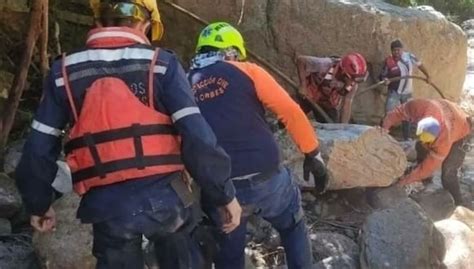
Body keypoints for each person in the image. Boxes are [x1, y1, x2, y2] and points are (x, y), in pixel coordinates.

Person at [15, 1, 242, 268]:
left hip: (107, 206)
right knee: (185, 251)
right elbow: (198, 137)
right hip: (168, 199)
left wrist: (38, 204)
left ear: (97, 21)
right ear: (145, 25)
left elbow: (38, 149)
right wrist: (224, 195)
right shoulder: (162, 63)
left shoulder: (63, 71)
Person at [188, 22, 328, 269]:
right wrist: (313, 153)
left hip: (221, 187)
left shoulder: (184, 83)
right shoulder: (248, 71)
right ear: (231, 50)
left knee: (228, 256)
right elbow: (290, 112)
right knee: (293, 224)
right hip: (267, 177)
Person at [381, 98, 472, 206]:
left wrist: (404, 181)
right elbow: (398, 112)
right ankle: (424, 180)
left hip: (462, 129)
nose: (424, 141)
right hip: (450, 115)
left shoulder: (444, 140)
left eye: (428, 140)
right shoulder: (420, 106)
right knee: (420, 146)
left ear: (436, 136)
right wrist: (384, 128)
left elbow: (429, 167)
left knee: (449, 171)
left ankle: (458, 203)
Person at [379, 39, 431, 140]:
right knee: (388, 113)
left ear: (402, 49)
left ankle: (406, 138)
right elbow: (382, 75)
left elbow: (420, 65)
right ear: (391, 51)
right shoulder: (388, 61)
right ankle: (382, 136)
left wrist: (428, 76)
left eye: (398, 50)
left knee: (408, 114)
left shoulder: (409, 57)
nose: (396, 52)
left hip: (407, 92)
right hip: (394, 92)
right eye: (394, 50)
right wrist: (385, 80)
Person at [296, 52, 368, 123]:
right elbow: (301, 60)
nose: (352, 82)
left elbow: (347, 105)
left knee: (332, 127)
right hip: (307, 96)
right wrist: (303, 86)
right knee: (288, 115)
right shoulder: (325, 64)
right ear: (343, 72)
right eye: (351, 79)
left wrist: (344, 127)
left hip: (328, 105)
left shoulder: (353, 85)